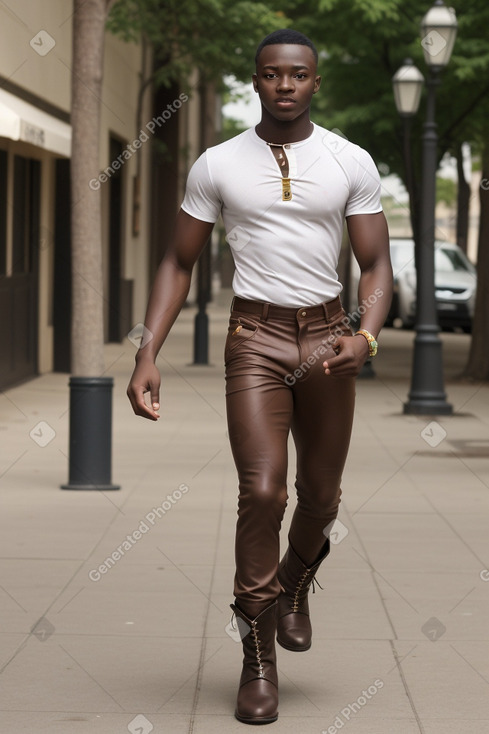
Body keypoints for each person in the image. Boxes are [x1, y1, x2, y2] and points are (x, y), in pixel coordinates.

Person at [127, 28, 393, 726]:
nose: (284, 85)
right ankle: (257, 658)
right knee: (263, 489)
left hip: (330, 337)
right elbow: (177, 264)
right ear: (255, 80)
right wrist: (145, 350)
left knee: (321, 492)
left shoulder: (348, 160)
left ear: (314, 81)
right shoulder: (216, 163)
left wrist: (364, 336)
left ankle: (296, 580)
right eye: (271, 74)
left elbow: (375, 269)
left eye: (297, 74)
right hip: (254, 337)